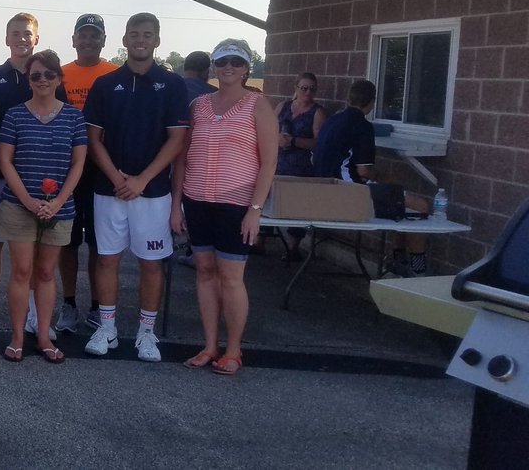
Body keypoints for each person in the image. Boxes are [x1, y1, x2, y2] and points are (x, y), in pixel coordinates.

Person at [83, 12, 189, 362]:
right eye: (133, 34)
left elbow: (177, 140)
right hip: (109, 189)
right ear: (124, 40)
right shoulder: (105, 84)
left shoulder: (172, 85)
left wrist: (142, 179)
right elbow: (93, 138)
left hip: (153, 192)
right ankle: (107, 327)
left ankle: (146, 332)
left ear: (157, 40)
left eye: (147, 34)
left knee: (150, 264)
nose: (140, 40)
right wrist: (117, 177)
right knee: (107, 259)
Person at [172, 38, 278, 376]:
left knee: (231, 278)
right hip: (198, 199)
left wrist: (256, 209)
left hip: (236, 203)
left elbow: (268, 163)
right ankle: (209, 345)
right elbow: (183, 158)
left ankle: (233, 350)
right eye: (221, 62)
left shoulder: (258, 105)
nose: (228, 67)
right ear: (213, 68)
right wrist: (177, 205)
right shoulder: (199, 105)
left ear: (247, 68)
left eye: (235, 61)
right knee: (204, 272)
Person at [0, 12, 66, 339]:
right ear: (7, 38)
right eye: (15, 33)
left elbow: (60, 124)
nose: (21, 38)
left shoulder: (50, 74)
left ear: (36, 38)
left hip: (40, 180)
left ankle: (32, 317)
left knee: (35, 253)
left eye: (27, 33)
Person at [0, 49, 87, 364]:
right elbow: (5, 160)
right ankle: (18, 337)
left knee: (47, 273)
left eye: (49, 74)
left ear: (59, 78)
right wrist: (28, 201)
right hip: (19, 206)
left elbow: (78, 164)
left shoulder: (75, 117)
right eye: (36, 75)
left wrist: (57, 201)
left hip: (59, 209)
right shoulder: (14, 114)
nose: (43, 80)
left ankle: (45, 336)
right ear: (29, 80)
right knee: (21, 271)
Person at [312, 79, 433, 277]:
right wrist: (386, 178)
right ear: (372, 102)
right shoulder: (362, 125)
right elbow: (364, 172)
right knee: (419, 205)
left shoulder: (332, 120)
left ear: (349, 98)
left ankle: (398, 259)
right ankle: (417, 269)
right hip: (349, 194)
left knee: (397, 199)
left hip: (325, 191)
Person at [57, 13, 117, 333]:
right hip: (66, 166)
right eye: (84, 35)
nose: (89, 40)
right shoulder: (61, 75)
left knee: (98, 242)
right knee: (66, 241)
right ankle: (68, 303)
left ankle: (97, 305)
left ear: (104, 40)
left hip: (100, 167)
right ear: (74, 40)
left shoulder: (115, 74)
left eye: (95, 35)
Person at [274, 72, 327, 260]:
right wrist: (277, 139)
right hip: (277, 162)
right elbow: (269, 129)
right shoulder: (283, 107)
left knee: (297, 208)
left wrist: (294, 141)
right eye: (304, 88)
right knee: (266, 201)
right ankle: (258, 241)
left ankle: (293, 248)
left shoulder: (317, 112)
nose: (307, 92)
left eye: (312, 89)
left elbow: (319, 143)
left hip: (300, 166)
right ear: (295, 88)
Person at [175, 51, 218, 267]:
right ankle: (197, 248)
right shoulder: (212, 94)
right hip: (200, 158)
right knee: (195, 203)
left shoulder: (173, 88)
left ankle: (162, 245)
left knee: (171, 200)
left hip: (167, 154)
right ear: (206, 71)